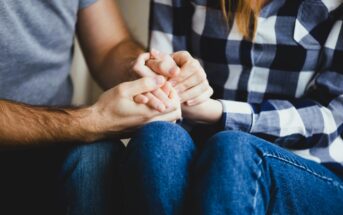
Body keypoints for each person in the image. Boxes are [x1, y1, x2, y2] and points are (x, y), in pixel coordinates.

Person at [124, 0, 343, 214]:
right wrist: (162, 75)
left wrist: (216, 111)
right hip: (203, 152)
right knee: (156, 138)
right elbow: (162, 65)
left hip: (312, 166)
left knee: (234, 149)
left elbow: (332, 116)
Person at [0, 0, 185, 214]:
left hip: (51, 148)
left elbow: (110, 47)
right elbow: (87, 123)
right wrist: (87, 121)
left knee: (97, 158)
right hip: (35, 135)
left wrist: (143, 72)